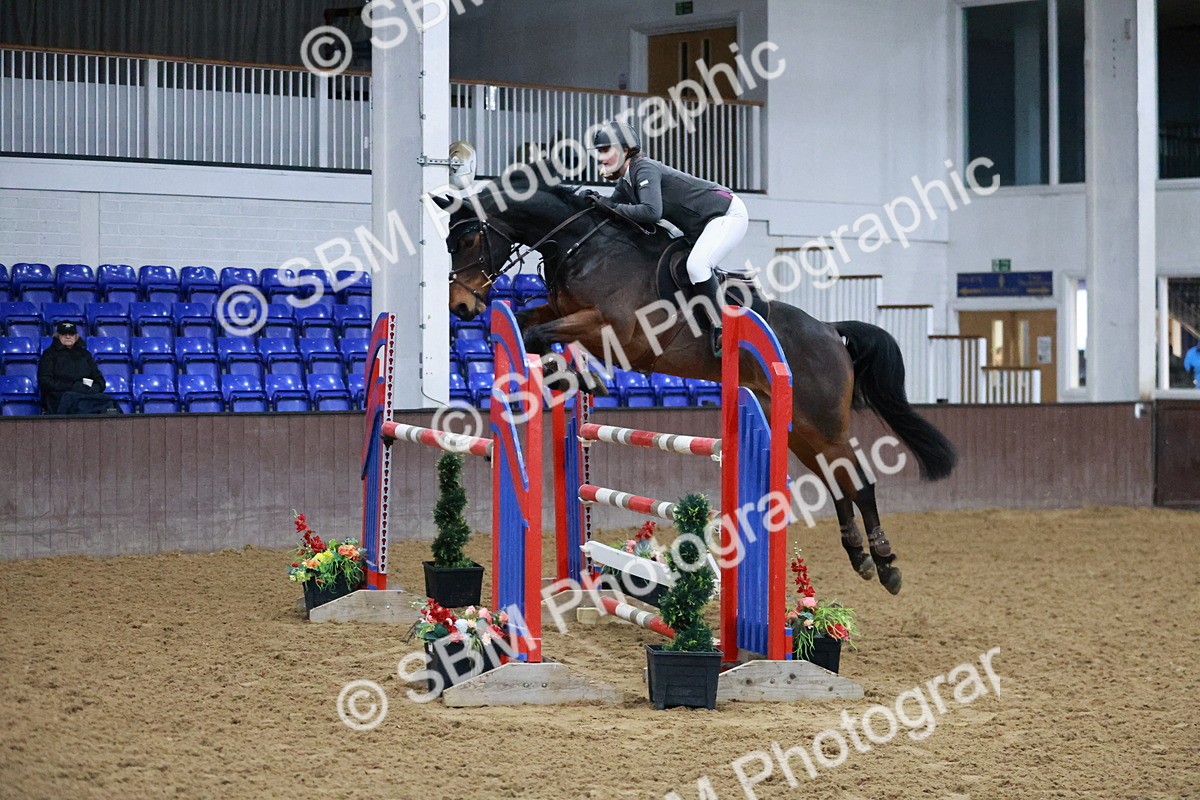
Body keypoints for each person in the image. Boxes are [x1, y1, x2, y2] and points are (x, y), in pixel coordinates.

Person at [586, 120, 750, 356]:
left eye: (605, 150)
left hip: (725, 214)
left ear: (625, 150)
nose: (601, 158)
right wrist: (588, 204)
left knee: (697, 266)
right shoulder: (626, 182)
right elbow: (613, 209)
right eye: (599, 152)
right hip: (700, 226)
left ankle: (725, 327)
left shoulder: (644, 168)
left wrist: (609, 206)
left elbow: (652, 212)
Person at [37, 322, 117, 414]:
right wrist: (72, 386)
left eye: (71, 334)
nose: (68, 336)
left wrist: (97, 387)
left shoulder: (85, 354)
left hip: (86, 394)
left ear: (76, 336)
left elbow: (98, 377)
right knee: (79, 403)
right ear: (58, 336)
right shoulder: (49, 354)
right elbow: (45, 382)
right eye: (64, 334)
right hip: (60, 397)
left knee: (109, 402)